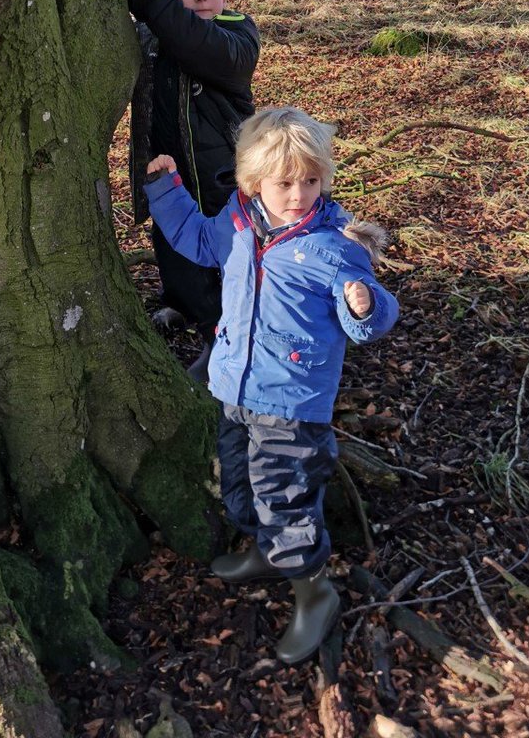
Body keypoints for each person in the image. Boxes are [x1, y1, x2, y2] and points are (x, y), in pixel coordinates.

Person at [143, 107, 399, 664]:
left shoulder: (333, 246)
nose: (298, 195)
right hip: (234, 389)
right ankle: (265, 549)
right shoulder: (238, 223)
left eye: (311, 181)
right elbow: (195, 240)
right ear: (252, 182)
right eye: (284, 183)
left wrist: (365, 305)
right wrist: (165, 190)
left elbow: (374, 314)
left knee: (286, 495)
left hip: (292, 402)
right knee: (238, 481)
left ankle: (315, 591)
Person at [127, 0, 260, 380]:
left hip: (223, 175)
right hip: (168, 170)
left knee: (225, 255)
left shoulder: (238, 34)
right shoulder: (151, 36)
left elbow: (195, 43)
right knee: (172, 244)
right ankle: (181, 304)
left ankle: (218, 338)